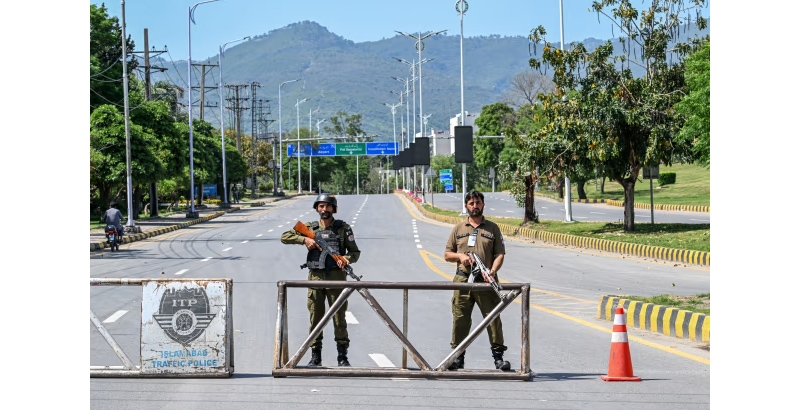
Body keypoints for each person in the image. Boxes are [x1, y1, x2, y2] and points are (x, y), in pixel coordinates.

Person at [280, 194, 361, 367]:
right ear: (317, 208)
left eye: (328, 206)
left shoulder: (343, 228)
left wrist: (345, 259)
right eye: (321, 206)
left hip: (336, 279)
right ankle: (315, 356)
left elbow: (355, 253)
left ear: (334, 208)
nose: (324, 209)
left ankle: (342, 356)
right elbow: (284, 236)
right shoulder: (310, 227)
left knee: (339, 318)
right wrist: (304, 239)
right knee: (315, 318)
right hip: (315, 279)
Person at [443, 190, 510, 371]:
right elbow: (447, 254)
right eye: (471, 203)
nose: (475, 206)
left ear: (483, 204)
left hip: (486, 280)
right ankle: (457, 357)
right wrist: (460, 256)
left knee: (493, 317)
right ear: (466, 206)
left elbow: (500, 254)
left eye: (478, 202)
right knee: (460, 318)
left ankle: (498, 358)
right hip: (463, 279)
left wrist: (492, 271)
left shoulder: (492, 228)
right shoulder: (458, 228)